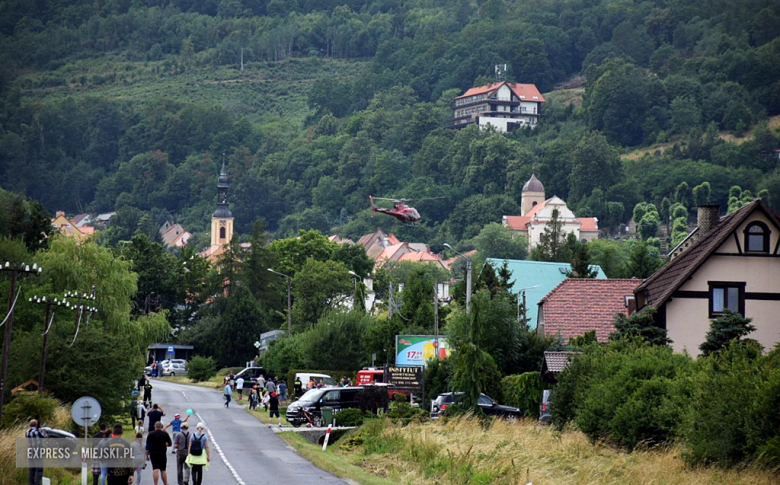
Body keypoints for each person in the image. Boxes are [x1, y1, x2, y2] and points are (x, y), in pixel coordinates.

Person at [26, 419, 47, 485]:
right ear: (36, 424)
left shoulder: (27, 432)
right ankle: (38, 483)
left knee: (31, 469)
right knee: (39, 469)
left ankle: (31, 483)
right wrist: (43, 430)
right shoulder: (38, 431)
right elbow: (45, 436)